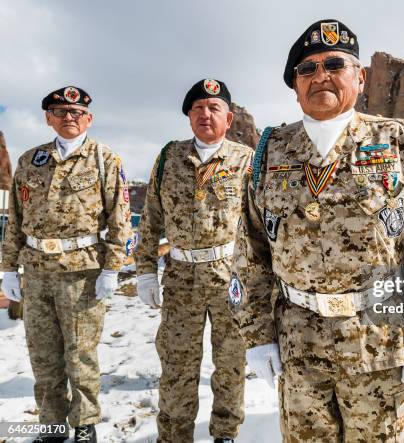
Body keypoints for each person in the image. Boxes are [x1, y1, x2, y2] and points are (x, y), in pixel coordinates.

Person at [230, 19, 404, 442]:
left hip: (378, 341)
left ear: (360, 77)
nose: (320, 76)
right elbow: (250, 249)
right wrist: (256, 337)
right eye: (307, 69)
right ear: (294, 85)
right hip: (298, 342)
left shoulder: (393, 138)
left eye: (334, 64)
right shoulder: (271, 149)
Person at [0, 86, 133, 443]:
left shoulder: (105, 159)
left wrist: (112, 268)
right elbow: (15, 219)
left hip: (82, 273)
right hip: (37, 273)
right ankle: (52, 425)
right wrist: (8, 269)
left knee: (81, 356)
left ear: (88, 118)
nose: (68, 118)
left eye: (76, 113)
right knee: (43, 357)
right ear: (48, 118)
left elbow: (121, 218)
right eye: (60, 112)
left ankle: (85, 423)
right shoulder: (30, 160)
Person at [135, 79, 252, 443]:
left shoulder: (247, 159)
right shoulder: (170, 156)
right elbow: (152, 217)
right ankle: (173, 436)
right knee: (177, 366)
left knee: (231, 364)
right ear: (188, 116)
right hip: (181, 276)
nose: (205, 114)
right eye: (198, 108)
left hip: (229, 275)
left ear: (228, 117)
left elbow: (261, 223)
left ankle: (225, 434)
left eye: (214, 108)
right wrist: (145, 273)